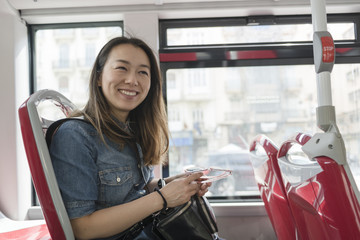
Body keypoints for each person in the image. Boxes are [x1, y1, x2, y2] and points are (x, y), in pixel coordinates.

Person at [48, 36, 212, 240]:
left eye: (143, 72)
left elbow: (133, 192)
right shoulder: (74, 135)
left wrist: (175, 185)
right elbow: (81, 228)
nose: (132, 80)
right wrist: (162, 198)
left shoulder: (134, 131)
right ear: (98, 77)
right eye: (121, 68)